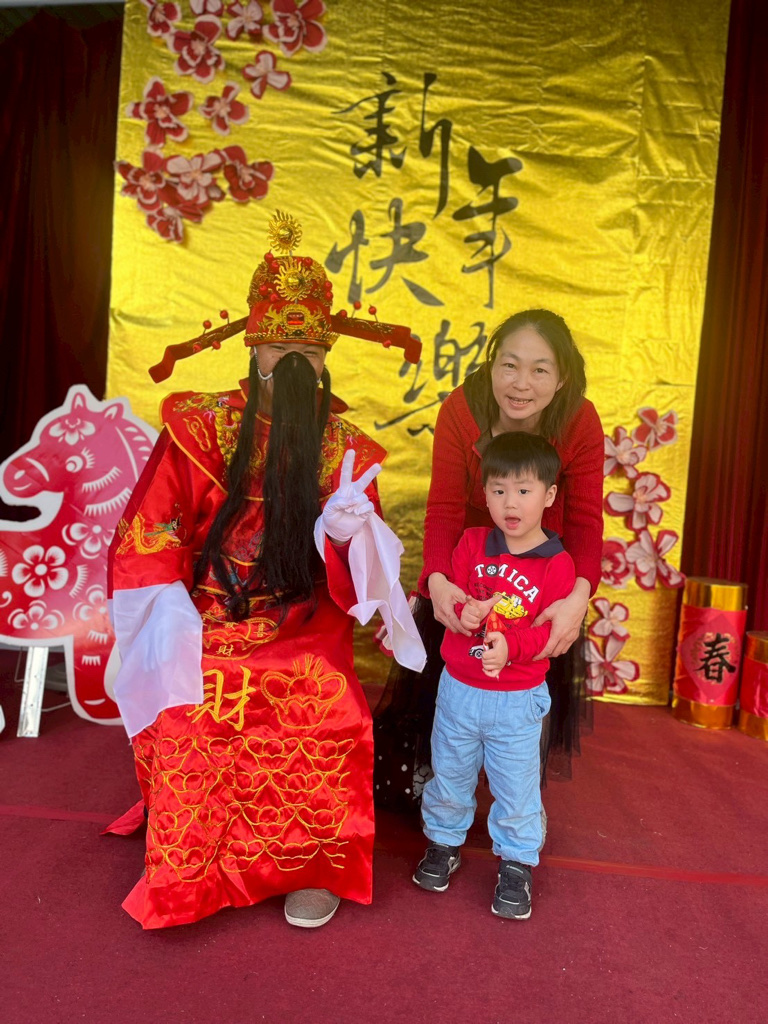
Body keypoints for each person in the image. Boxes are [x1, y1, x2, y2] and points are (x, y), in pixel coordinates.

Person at [107, 211, 425, 930]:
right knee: (195, 703)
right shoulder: (202, 426)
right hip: (204, 617)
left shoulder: (343, 449)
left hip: (301, 621)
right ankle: (193, 864)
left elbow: (361, 582)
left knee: (321, 701)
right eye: (279, 349)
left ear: (326, 356)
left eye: (307, 351)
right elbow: (153, 527)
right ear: (253, 349)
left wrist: (347, 533)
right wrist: (170, 611)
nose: (293, 365)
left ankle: (309, 865)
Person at [374, 309, 603, 809]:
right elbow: (444, 507)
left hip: (539, 578)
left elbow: (586, 521)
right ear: (492, 365)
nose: (521, 384)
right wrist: (437, 580)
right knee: (443, 687)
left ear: (562, 378)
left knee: (522, 694)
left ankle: (517, 804)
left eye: (540, 370)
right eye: (509, 365)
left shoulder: (579, 421)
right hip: (468, 570)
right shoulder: (462, 410)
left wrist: (577, 598)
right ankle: (437, 790)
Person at [412, 432, 575, 920]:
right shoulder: (471, 542)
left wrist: (512, 647)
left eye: (524, 491)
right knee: (449, 773)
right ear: (483, 493)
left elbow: (548, 634)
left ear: (549, 494)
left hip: (516, 697)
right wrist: (465, 612)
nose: (510, 503)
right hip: (459, 690)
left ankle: (518, 861)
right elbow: (455, 598)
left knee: (516, 785)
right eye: (499, 490)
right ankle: (444, 843)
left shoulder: (558, 565)